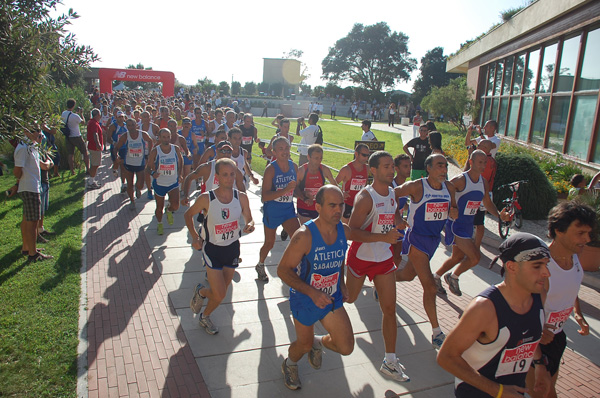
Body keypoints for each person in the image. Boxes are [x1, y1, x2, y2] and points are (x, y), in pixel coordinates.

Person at [437, 232, 552, 398]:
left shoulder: (539, 296)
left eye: (546, 265)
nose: (546, 273)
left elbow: (526, 338)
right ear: (511, 267)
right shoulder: (484, 308)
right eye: (537, 266)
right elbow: (446, 357)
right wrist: (498, 391)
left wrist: (540, 365)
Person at [278, 185, 355, 390]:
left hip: (331, 297)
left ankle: (317, 342)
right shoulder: (304, 235)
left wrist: (341, 282)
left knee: (346, 347)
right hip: (305, 298)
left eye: (341, 205)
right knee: (302, 345)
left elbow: (339, 256)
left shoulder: (342, 230)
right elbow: (283, 270)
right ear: (318, 207)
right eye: (332, 205)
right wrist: (312, 292)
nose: (338, 210)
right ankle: (290, 364)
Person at [345, 151, 409, 382]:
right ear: (373, 171)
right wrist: (383, 238)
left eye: (392, 166)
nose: (392, 170)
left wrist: (399, 221)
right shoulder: (366, 198)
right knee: (349, 298)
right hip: (361, 258)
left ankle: (390, 361)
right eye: (386, 167)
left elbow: (391, 214)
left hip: (382, 259)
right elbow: (352, 232)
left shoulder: (392, 193)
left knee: (389, 309)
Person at [525, 202, 594, 398]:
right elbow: (519, 304)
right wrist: (536, 332)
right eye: (580, 233)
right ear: (559, 231)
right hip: (532, 342)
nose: (587, 239)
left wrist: (578, 314)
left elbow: (571, 287)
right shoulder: (541, 265)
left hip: (556, 338)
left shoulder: (574, 258)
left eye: (589, 233)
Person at [394, 154, 458, 348]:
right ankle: (437, 332)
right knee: (430, 287)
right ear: (428, 168)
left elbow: (452, 209)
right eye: (439, 166)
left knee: (406, 275)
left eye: (445, 166)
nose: (444, 170)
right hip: (416, 240)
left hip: (432, 242)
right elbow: (389, 194)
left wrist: (453, 213)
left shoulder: (449, 188)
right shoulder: (416, 186)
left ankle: (383, 279)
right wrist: (397, 216)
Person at [186, 158, 255, 335]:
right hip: (212, 250)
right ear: (216, 177)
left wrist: (250, 224)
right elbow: (188, 215)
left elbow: (249, 217)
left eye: (232, 174)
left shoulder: (241, 197)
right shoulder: (206, 198)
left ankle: (202, 301)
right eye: (225, 175)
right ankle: (203, 307)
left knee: (220, 292)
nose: (229, 178)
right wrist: (195, 237)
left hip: (232, 248)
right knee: (221, 294)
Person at [433, 150, 509, 296]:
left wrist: (500, 215)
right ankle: (454, 277)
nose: (483, 165)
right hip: (456, 225)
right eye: (480, 162)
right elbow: (445, 190)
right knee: (475, 257)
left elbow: (487, 202)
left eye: (485, 163)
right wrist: (451, 207)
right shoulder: (461, 180)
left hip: (468, 225)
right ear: (471, 162)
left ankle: (436, 277)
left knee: (457, 257)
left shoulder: (483, 182)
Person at [256, 137, 300, 281]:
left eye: (286, 148)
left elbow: (295, 189)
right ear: (274, 152)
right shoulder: (270, 169)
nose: (285, 151)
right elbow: (265, 196)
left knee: (298, 238)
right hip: (273, 211)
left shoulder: (294, 166)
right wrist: (284, 190)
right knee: (269, 243)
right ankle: (260, 264)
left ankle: (295, 266)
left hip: (288, 210)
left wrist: (304, 196)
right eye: (280, 149)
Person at [14, 128, 54, 261]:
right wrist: (20, 182)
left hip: (33, 186)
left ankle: (27, 248)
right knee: (32, 222)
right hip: (29, 187)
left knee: (27, 219)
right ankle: (32, 253)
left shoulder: (32, 146)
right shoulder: (23, 148)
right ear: (26, 132)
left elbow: (41, 165)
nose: (40, 133)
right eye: (36, 130)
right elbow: (17, 171)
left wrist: (48, 164)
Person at [146, 128, 183, 235]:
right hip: (160, 184)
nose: (166, 139)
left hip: (173, 182)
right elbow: (148, 168)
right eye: (164, 137)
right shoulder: (155, 151)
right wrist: (153, 173)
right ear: (160, 138)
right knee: (159, 207)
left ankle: (169, 210)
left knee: (176, 205)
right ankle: (160, 223)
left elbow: (181, 161)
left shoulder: (175, 149)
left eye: (168, 137)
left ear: (170, 137)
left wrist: (180, 174)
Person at [115, 119, 154, 210]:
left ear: (136, 125)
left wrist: (149, 153)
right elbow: (117, 147)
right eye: (129, 125)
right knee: (129, 184)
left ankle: (137, 188)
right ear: (127, 126)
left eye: (132, 125)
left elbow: (150, 140)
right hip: (128, 163)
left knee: (140, 184)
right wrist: (117, 156)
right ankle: (132, 201)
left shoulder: (142, 134)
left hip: (140, 163)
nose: (131, 127)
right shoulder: (125, 136)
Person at [295, 145, 336, 223]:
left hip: (319, 208)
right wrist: (304, 198)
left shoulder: (324, 169)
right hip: (304, 207)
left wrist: (340, 195)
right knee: (308, 232)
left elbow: (334, 185)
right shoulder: (301, 171)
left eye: (320, 158)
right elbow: (294, 188)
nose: (319, 161)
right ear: (308, 157)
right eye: (316, 158)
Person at [335, 144, 370, 223]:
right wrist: (341, 193)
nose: (366, 158)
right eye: (364, 155)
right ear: (356, 154)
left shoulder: (367, 168)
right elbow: (333, 184)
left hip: (360, 204)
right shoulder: (346, 169)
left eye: (368, 155)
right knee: (345, 228)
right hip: (347, 204)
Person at [61, 99, 90, 175]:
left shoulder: (63, 113)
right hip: (76, 136)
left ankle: (72, 171)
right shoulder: (75, 116)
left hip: (68, 136)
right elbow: (83, 122)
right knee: (85, 152)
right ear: (73, 106)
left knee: (70, 154)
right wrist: (81, 114)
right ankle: (88, 168)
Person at [87, 108, 104, 189]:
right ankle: (91, 182)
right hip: (94, 147)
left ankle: (92, 180)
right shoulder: (94, 123)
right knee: (95, 164)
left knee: (94, 164)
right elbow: (95, 134)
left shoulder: (93, 122)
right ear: (97, 115)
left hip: (92, 146)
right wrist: (98, 144)